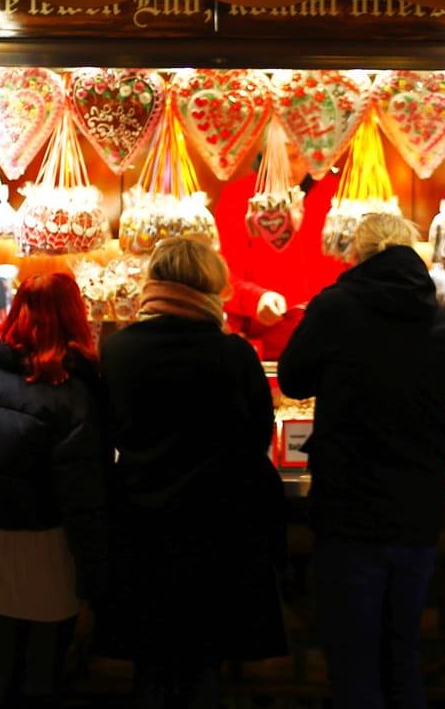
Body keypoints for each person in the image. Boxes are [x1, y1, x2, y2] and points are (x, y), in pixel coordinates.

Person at [278, 213, 445, 709]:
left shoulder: (334, 308)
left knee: (351, 659)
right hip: (415, 510)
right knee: (402, 653)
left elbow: (294, 381)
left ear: (358, 255)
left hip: (345, 509)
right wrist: (438, 439)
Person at [97, 236, 288, 708]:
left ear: (153, 282)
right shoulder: (235, 355)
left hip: (141, 524)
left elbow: (106, 434)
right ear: (211, 285)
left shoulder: (118, 351)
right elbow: (258, 437)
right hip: (216, 529)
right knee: (203, 664)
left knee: (151, 663)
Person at [0, 271, 109, 709]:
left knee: (0, 663)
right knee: (43, 670)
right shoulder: (72, 397)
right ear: (74, 318)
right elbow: (83, 501)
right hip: (47, 547)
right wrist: (95, 577)